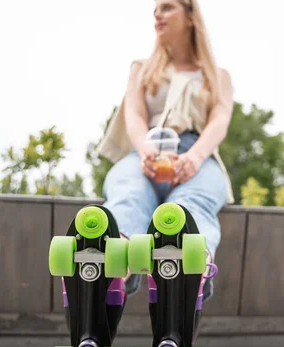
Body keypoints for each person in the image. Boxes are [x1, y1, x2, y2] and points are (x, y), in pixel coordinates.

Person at [96, 0, 235, 301]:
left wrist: (195, 157)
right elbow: (134, 115)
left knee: (191, 206)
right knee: (128, 196)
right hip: (145, 153)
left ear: (190, 16)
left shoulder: (218, 76)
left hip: (196, 156)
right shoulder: (142, 70)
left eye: (168, 7)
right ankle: (112, 269)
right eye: (156, 8)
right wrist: (146, 149)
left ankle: (189, 272)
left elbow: (219, 122)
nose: (157, 13)